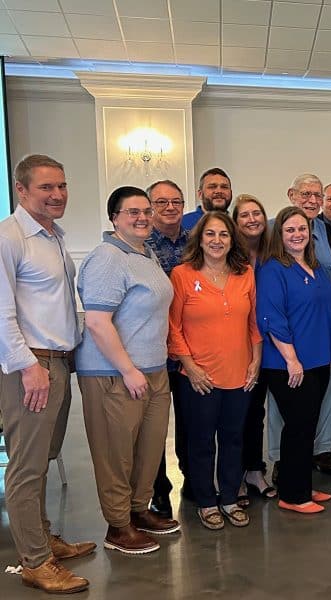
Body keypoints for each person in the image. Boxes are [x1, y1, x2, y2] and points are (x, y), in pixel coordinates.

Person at [0, 154, 93, 593]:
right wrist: (27, 367)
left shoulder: (52, 236)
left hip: (58, 361)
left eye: (62, 185)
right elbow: (1, 314)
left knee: (45, 458)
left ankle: (42, 540)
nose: (57, 195)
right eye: (45, 188)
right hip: (31, 367)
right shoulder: (9, 236)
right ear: (21, 190)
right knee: (26, 466)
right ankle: (35, 561)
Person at [77, 186, 180, 555]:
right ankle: (118, 526)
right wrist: (128, 370)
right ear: (114, 217)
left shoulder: (145, 252)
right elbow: (98, 323)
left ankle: (138, 510)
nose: (142, 218)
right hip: (113, 374)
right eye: (132, 212)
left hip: (152, 369)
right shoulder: (107, 258)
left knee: (148, 451)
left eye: (146, 211)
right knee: (116, 453)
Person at [167, 212, 262, 530]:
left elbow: (253, 324)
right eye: (211, 234)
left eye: (224, 234)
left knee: (235, 439)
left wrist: (255, 360)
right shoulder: (181, 274)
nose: (217, 240)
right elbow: (173, 327)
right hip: (200, 378)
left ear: (232, 240)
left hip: (240, 373)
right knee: (202, 441)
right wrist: (190, 367)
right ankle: (207, 501)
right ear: (200, 238)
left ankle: (230, 498)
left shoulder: (245, 273)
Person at [256, 207, 331, 514]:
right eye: (290, 230)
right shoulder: (273, 269)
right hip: (288, 364)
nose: (297, 235)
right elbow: (271, 317)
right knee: (297, 426)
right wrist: (291, 359)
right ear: (280, 234)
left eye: (302, 229)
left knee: (308, 426)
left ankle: (302, 483)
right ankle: (292, 495)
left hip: (318, 360)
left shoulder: (315, 267)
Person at [283, 173, 331, 478]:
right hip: (291, 328)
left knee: (327, 388)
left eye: (317, 196)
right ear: (291, 195)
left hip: (325, 327)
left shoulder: (328, 232)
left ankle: (323, 449)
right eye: (305, 194)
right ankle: (284, 458)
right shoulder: (278, 228)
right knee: (289, 395)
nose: (312, 201)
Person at [145, 179, 190, 520]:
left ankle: (194, 480)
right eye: (162, 203)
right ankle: (158, 490)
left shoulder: (196, 243)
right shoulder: (141, 246)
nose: (170, 208)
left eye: (176, 201)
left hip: (191, 350)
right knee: (155, 426)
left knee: (191, 421)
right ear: (150, 207)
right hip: (154, 349)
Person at [231, 194, 277, 503]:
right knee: (237, 413)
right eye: (244, 215)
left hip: (270, 342)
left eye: (256, 213)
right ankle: (234, 476)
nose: (252, 219)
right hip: (235, 342)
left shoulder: (273, 254)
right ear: (235, 222)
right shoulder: (229, 255)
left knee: (256, 410)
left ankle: (255, 470)